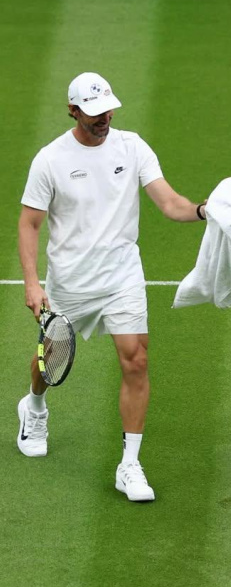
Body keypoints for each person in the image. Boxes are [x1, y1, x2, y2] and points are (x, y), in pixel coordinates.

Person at [17, 71, 207, 502]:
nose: (104, 118)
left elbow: (170, 203)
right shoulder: (50, 160)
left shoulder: (132, 147)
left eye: (108, 110)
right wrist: (32, 283)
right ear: (73, 111)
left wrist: (203, 210)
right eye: (94, 112)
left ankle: (129, 465)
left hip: (122, 277)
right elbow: (29, 224)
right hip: (71, 281)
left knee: (136, 360)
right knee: (50, 360)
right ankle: (34, 407)